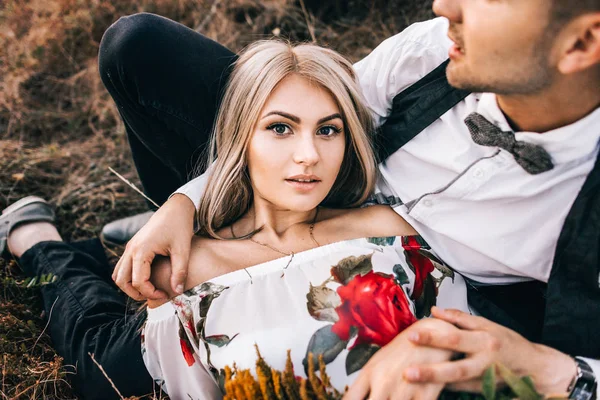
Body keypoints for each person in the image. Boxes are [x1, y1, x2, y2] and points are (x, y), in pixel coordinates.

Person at [102, 0, 600, 399]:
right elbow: (318, 111)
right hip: (320, 175)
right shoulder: (436, 50)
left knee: (111, 362)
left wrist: (544, 368)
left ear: (582, 41)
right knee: (140, 47)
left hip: (419, 287)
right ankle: (196, 227)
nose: (444, 5)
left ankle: (51, 250)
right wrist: (185, 202)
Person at [0, 38, 469, 399]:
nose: (308, 155)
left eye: (328, 130)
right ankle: (36, 239)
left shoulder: (393, 235)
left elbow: (465, 344)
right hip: (176, 301)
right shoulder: (186, 270)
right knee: (93, 346)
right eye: (280, 128)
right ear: (240, 138)